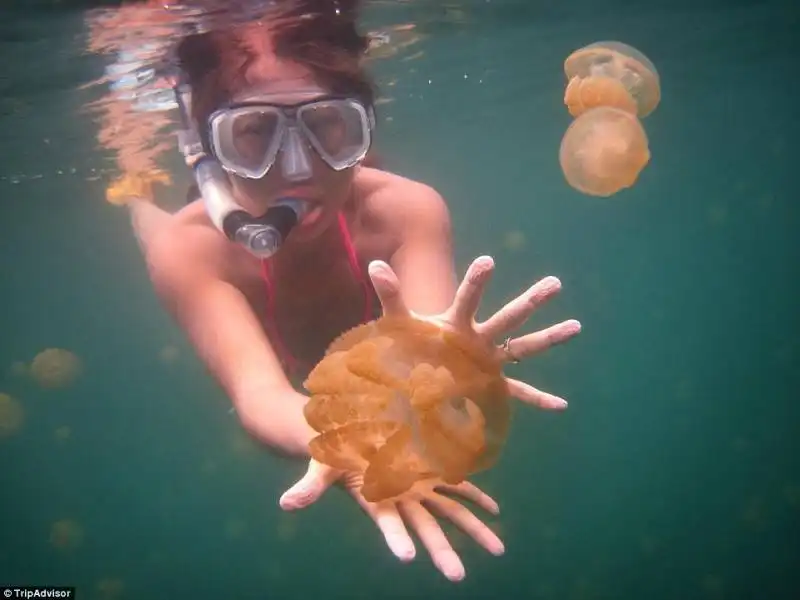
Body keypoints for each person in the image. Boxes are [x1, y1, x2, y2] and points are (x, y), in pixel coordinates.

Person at [100, 0, 581, 582]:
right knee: (158, 231)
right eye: (252, 134)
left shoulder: (406, 210)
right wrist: (342, 442)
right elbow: (259, 393)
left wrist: (445, 369)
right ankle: (133, 192)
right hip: (200, 238)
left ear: (364, 128)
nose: (297, 169)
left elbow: (424, 353)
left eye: (330, 127)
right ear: (208, 145)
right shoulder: (190, 250)